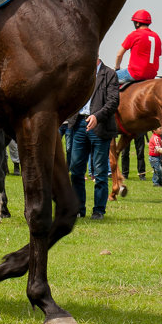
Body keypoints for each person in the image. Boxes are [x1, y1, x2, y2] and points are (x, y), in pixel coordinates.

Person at [63, 58, 120, 219]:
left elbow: (113, 101)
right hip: (79, 124)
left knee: (100, 171)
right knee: (76, 170)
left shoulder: (109, 74)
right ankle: (79, 209)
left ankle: (98, 210)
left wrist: (97, 116)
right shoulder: (79, 73)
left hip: (100, 127)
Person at [114, 10, 162, 84]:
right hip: (151, 75)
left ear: (137, 23)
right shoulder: (156, 37)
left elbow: (119, 54)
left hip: (135, 73)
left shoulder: (135, 34)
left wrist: (117, 68)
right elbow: (157, 55)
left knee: (106, 78)